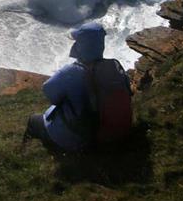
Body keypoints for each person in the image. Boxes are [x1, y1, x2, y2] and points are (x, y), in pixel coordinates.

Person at [22, 22, 132, 152]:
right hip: (115, 135)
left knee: (33, 120)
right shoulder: (114, 67)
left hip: (83, 140)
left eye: (77, 41)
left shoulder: (71, 71)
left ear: (81, 45)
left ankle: (23, 151)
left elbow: (50, 94)